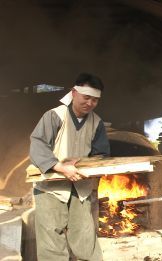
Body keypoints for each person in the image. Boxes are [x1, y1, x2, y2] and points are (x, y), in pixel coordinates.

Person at [30, 73, 110, 260]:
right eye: (86, 97)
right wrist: (60, 166)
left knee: (84, 235)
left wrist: (85, 164)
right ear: (74, 93)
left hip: (80, 188)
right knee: (51, 240)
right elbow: (38, 144)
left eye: (95, 100)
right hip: (51, 187)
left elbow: (101, 154)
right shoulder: (54, 116)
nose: (90, 103)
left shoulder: (97, 123)